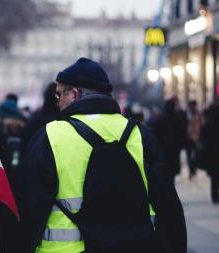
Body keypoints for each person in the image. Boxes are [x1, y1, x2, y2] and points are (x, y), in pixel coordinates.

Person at [13, 58, 187, 253]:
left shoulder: (51, 136)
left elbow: (28, 208)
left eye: (60, 93)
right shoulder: (139, 134)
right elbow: (168, 207)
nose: (57, 100)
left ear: (75, 94)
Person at [154, 98, 188, 185]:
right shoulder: (178, 120)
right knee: (172, 172)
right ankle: (170, 189)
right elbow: (182, 135)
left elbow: (155, 134)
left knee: (164, 170)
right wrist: (181, 145)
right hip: (174, 150)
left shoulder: (160, 120)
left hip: (163, 149)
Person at [186, 100, 203, 179]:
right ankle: (191, 170)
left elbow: (201, 125)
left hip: (197, 137)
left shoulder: (198, 114)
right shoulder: (186, 114)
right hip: (188, 138)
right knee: (189, 155)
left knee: (196, 155)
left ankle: (193, 168)